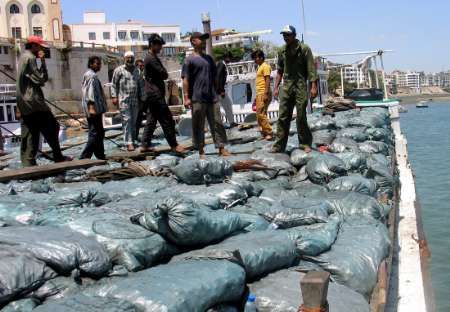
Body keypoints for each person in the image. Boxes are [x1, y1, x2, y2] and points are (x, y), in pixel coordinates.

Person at [16, 36, 69, 167]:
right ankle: (58, 156)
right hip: (34, 102)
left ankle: (28, 163)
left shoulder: (22, 57)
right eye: (39, 47)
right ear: (33, 46)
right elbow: (40, 79)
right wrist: (43, 62)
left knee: (30, 133)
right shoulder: (30, 58)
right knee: (52, 126)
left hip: (24, 103)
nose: (41, 50)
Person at [182, 32, 230, 158]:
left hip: (212, 97)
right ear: (193, 41)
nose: (203, 41)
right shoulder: (189, 60)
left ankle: (221, 148)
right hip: (197, 97)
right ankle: (201, 150)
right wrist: (186, 97)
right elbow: (185, 80)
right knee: (198, 124)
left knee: (217, 123)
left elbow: (214, 77)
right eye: (201, 39)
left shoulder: (209, 59)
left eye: (204, 40)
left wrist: (218, 90)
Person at [272, 25, 318, 153]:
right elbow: (280, 70)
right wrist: (275, 87)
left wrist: (313, 86)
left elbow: (311, 69)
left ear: (294, 35)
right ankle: (279, 145)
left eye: (288, 35)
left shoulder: (304, 49)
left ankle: (304, 143)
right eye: (284, 35)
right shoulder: (282, 51)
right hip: (287, 86)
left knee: (301, 116)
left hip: (300, 85)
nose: (285, 37)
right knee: (283, 116)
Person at [140, 33, 185, 154]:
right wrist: (164, 72)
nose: (160, 48)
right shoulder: (151, 58)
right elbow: (164, 74)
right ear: (152, 45)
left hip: (152, 93)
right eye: (159, 45)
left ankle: (145, 144)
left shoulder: (151, 57)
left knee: (152, 119)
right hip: (155, 94)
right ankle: (174, 145)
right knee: (167, 120)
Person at [111, 51, 141, 151]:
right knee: (127, 120)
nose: (130, 59)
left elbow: (141, 85)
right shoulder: (118, 70)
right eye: (128, 57)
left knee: (133, 122)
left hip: (135, 101)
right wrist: (114, 96)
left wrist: (143, 98)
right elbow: (114, 84)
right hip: (124, 100)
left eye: (131, 57)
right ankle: (129, 143)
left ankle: (131, 140)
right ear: (124, 59)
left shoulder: (137, 71)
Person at [80, 56, 107, 160]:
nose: (99, 66)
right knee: (95, 132)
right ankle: (85, 157)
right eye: (97, 63)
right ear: (91, 64)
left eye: (100, 64)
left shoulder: (88, 75)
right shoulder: (92, 77)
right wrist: (92, 107)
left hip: (92, 108)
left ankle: (100, 154)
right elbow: (90, 93)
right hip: (94, 108)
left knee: (99, 132)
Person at [252, 49, 273, 140]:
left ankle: (269, 132)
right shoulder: (260, 67)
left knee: (261, 114)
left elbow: (267, 80)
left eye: (255, 58)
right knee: (259, 114)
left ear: (261, 57)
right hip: (259, 93)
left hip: (263, 92)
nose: (254, 60)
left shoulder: (265, 66)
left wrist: (266, 93)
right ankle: (264, 133)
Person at [216, 51, 236, 128]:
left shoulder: (221, 64)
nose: (230, 60)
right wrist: (221, 90)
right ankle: (231, 122)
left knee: (227, 105)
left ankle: (231, 122)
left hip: (218, 90)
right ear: (227, 58)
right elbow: (218, 78)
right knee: (227, 104)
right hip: (219, 91)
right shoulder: (221, 65)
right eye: (230, 58)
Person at [134, 58, 146, 141]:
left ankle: (146, 135)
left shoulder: (144, 73)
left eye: (142, 66)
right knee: (137, 119)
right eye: (140, 66)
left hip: (144, 99)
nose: (142, 67)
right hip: (138, 100)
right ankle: (135, 136)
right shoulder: (135, 74)